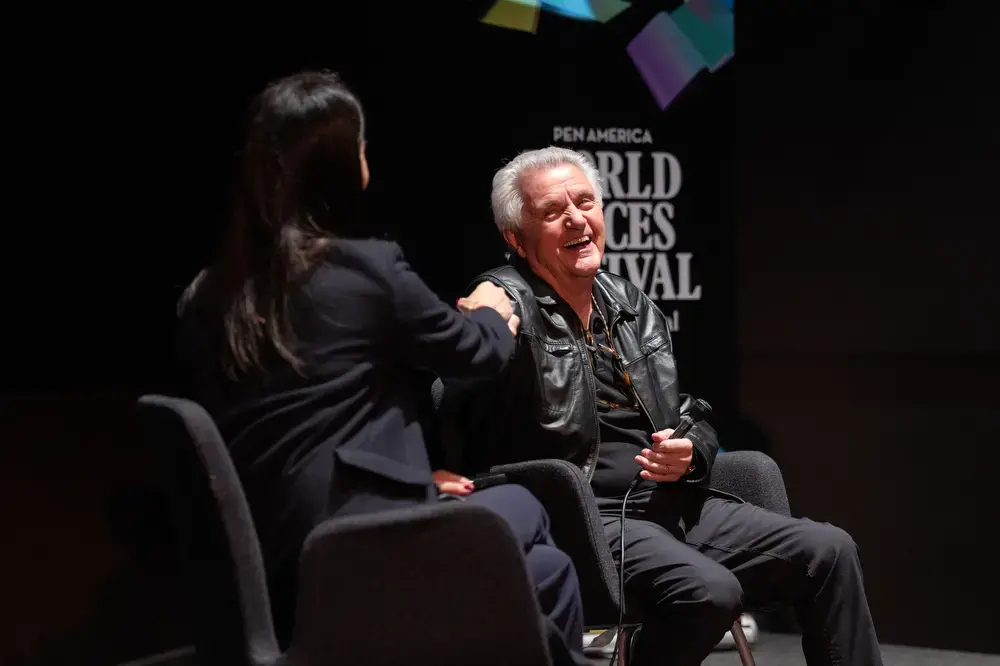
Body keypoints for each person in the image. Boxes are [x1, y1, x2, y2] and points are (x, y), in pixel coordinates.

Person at [174, 73, 591, 666]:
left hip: (270, 560)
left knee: (544, 571)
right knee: (525, 508)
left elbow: (303, 423)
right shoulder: (364, 270)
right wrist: (494, 312)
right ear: (345, 167)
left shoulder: (208, 293)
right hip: (356, 553)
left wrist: (412, 481)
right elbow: (477, 352)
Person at [444, 146, 884, 666]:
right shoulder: (510, 302)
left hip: (671, 506)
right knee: (709, 592)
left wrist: (691, 452)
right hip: (585, 520)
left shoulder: (630, 304)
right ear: (517, 239)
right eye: (552, 212)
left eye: (585, 202)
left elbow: (687, 410)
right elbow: (476, 338)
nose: (576, 219)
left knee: (829, 551)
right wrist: (482, 309)